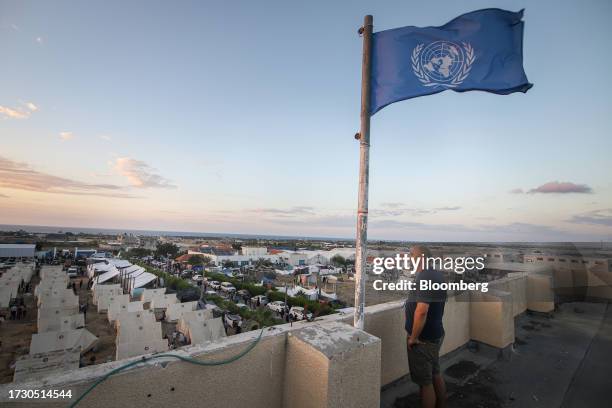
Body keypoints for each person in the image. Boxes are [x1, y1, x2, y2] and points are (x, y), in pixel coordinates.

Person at [405, 245, 447, 408]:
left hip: (423, 340)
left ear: (421, 257)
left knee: (425, 383)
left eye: (411, 254)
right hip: (435, 334)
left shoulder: (425, 276)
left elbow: (422, 311)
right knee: (435, 373)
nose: (409, 258)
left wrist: (414, 337)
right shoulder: (435, 274)